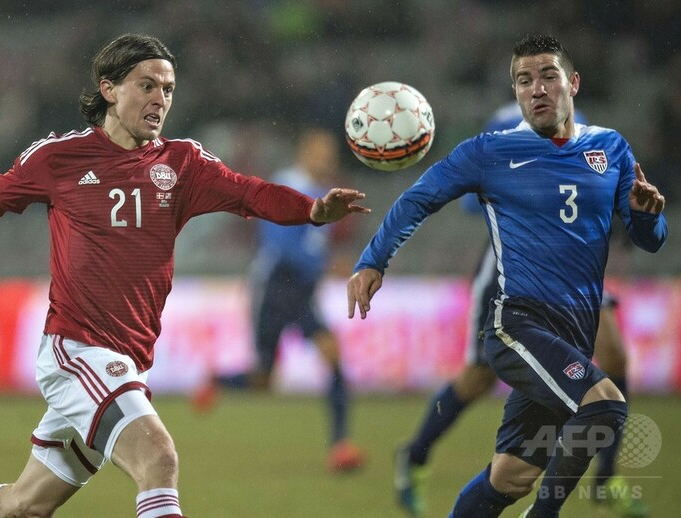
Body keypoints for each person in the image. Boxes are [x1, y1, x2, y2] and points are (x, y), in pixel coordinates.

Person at [0, 34, 370, 518]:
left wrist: (312, 210)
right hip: (78, 350)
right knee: (158, 457)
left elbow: (248, 193)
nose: (160, 99)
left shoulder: (182, 164)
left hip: (130, 359)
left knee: (25, 504)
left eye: (168, 89)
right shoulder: (60, 158)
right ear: (109, 89)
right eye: (147, 85)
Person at [347, 34, 666, 517]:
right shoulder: (490, 152)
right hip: (518, 326)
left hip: (574, 334)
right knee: (605, 405)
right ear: (515, 92)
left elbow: (650, 239)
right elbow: (419, 199)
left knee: (511, 476)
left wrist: (647, 216)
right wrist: (373, 260)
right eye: (523, 80)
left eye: (548, 76)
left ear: (573, 83)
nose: (536, 88)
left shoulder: (610, 149)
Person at [393, 103, 649, 517]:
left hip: (574, 261)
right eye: (528, 78)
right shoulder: (502, 123)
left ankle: (606, 478)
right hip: (514, 261)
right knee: (478, 377)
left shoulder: (587, 126)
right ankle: (416, 454)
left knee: (615, 355)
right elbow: (473, 197)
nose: (539, 86)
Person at [191, 127, 365, 472]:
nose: (326, 159)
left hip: (301, 291)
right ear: (305, 153)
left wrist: (325, 264)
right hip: (275, 287)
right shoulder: (288, 185)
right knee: (263, 380)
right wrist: (326, 265)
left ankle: (341, 446)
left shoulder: (327, 193)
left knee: (332, 354)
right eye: (320, 152)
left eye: (330, 154)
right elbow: (281, 246)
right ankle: (217, 380)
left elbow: (313, 246)